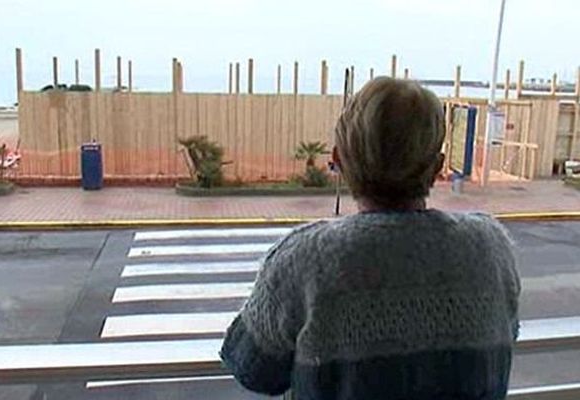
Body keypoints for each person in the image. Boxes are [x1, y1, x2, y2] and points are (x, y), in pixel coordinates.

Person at [220, 77, 521, 400]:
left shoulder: (306, 260)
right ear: (437, 167)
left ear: (340, 159)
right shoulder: (491, 247)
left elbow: (253, 369)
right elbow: (506, 336)